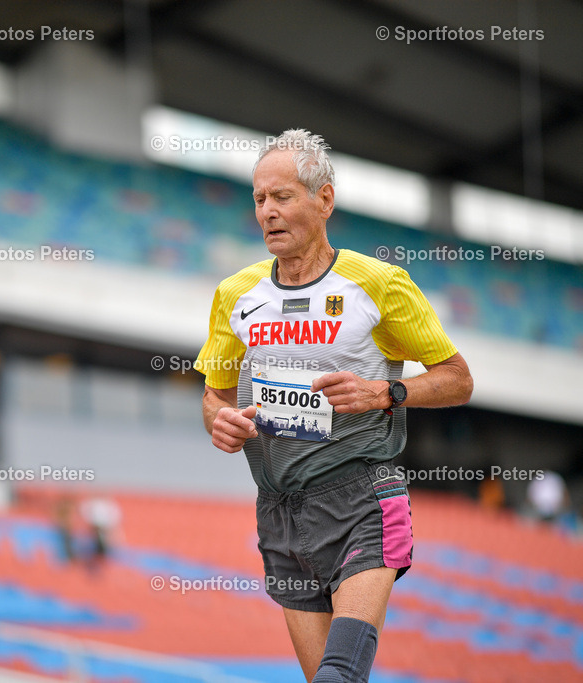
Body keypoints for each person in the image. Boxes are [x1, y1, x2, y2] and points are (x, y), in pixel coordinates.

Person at [196, 130, 473, 683]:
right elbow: (215, 395)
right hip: (279, 510)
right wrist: (220, 423)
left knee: (338, 676)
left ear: (324, 200)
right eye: (259, 199)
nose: (267, 212)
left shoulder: (379, 283)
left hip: (363, 496)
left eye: (282, 197)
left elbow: (458, 381)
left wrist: (386, 392)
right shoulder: (235, 294)